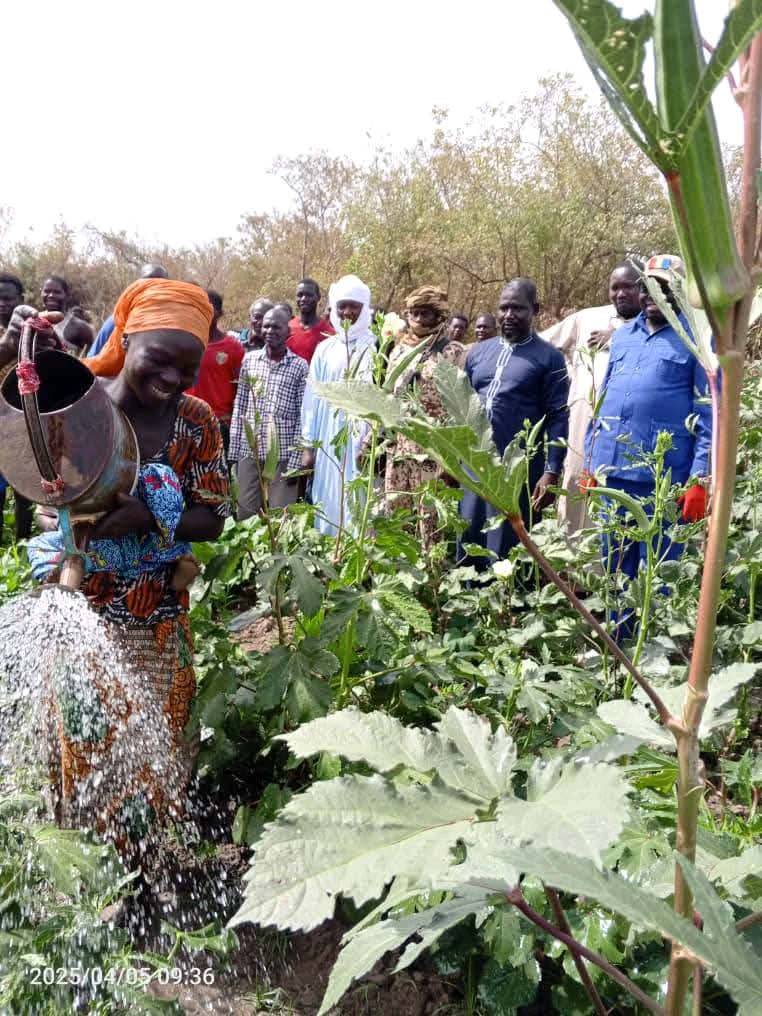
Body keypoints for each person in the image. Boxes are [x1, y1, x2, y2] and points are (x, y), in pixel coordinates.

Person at [25, 278, 229, 856]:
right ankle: (88, 859)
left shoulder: (195, 420)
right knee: (84, 731)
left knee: (156, 735)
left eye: (187, 369)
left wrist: (151, 515)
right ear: (127, 338)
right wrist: (59, 516)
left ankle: (145, 856)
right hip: (83, 606)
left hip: (157, 612)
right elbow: (38, 484)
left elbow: (212, 518)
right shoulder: (81, 406)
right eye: (160, 360)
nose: (173, 378)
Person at [583, 255, 711, 634]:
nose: (655, 294)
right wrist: (590, 460)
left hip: (663, 482)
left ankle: (653, 649)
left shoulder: (696, 341)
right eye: (649, 286)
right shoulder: (623, 337)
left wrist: (699, 480)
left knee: (658, 573)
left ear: (681, 293)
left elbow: (708, 414)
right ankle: (617, 647)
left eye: (666, 287)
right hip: (614, 476)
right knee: (615, 566)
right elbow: (604, 400)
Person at [459, 278, 569, 565]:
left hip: (518, 468)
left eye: (517, 308)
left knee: (508, 543)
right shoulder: (478, 353)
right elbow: (462, 406)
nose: (508, 315)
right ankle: (465, 593)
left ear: (535, 310)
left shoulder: (550, 358)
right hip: (474, 463)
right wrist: (453, 459)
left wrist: (551, 471)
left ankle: (506, 595)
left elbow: (558, 416)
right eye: (503, 308)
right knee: (468, 534)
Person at [541, 263, 642, 533]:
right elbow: (542, 344)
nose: (621, 293)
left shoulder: (654, 324)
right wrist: (564, 373)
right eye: (615, 287)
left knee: (616, 497)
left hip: (628, 432)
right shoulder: (587, 319)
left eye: (629, 287)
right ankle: (569, 555)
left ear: (644, 288)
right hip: (582, 424)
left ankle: (609, 559)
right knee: (575, 483)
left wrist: (620, 338)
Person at [384, 285, 465, 548]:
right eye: (414, 313)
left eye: (425, 314)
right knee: (398, 514)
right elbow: (388, 396)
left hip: (434, 450)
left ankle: (432, 572)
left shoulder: (452, 351)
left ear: (438, 316)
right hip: (399, 448)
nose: (418, 319)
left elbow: (460, 404)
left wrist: (454, 460)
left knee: (430, 521)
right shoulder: (398, 350)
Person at [301, 274, 376, 536]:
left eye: (354, 306)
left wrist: (370, 440)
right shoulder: (325, 349)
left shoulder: (376, 346)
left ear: (364, 308)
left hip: (363, 440)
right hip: (329, 436)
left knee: (361, 498)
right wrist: (308, 445)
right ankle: (329, 550)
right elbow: (312, 398)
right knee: (329, 496)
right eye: (342, 305)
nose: (347, 312)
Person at [229, 307, 307, 519]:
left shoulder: (299, 366)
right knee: (245, 513)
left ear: (288, 331)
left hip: (283, 454)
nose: (270, 331)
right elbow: (240, 406)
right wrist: (234, 453)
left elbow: (303, 417)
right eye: (266, 326)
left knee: (280, 516)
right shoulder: (250, 360)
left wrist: (295, 463)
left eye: (276, 327)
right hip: (250, 451)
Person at [186, 289, 244, 457]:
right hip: (187, 419)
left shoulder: (233, 348)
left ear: (220, 313)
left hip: (219, 424)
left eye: (208, 307)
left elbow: (240, 390)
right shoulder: (185, 342)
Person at [0, 273, 34, 542]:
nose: (2, 304)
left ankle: (23, 541)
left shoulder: (30, 331)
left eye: (7, 298)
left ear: (20, 300)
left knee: (25, 490)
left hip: (23, 422)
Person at [88, 264, 169, 356]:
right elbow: (92, 359)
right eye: (148, 282)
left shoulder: (175, 324)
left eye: (160, 283)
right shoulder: (118, 322)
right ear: (137, 286)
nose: (153, 288)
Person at [40, 275, 94, 354]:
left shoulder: (80, 328)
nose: (51, 295)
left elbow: (92, 357)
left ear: (67, 295)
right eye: (47, 291)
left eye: (57, 292)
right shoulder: (33, 320)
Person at [287, 278, 334, 364]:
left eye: (309, 295)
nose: (303, 299)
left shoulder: (328, 333)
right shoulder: (287, 328)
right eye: (300, 295)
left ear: (318, 297)